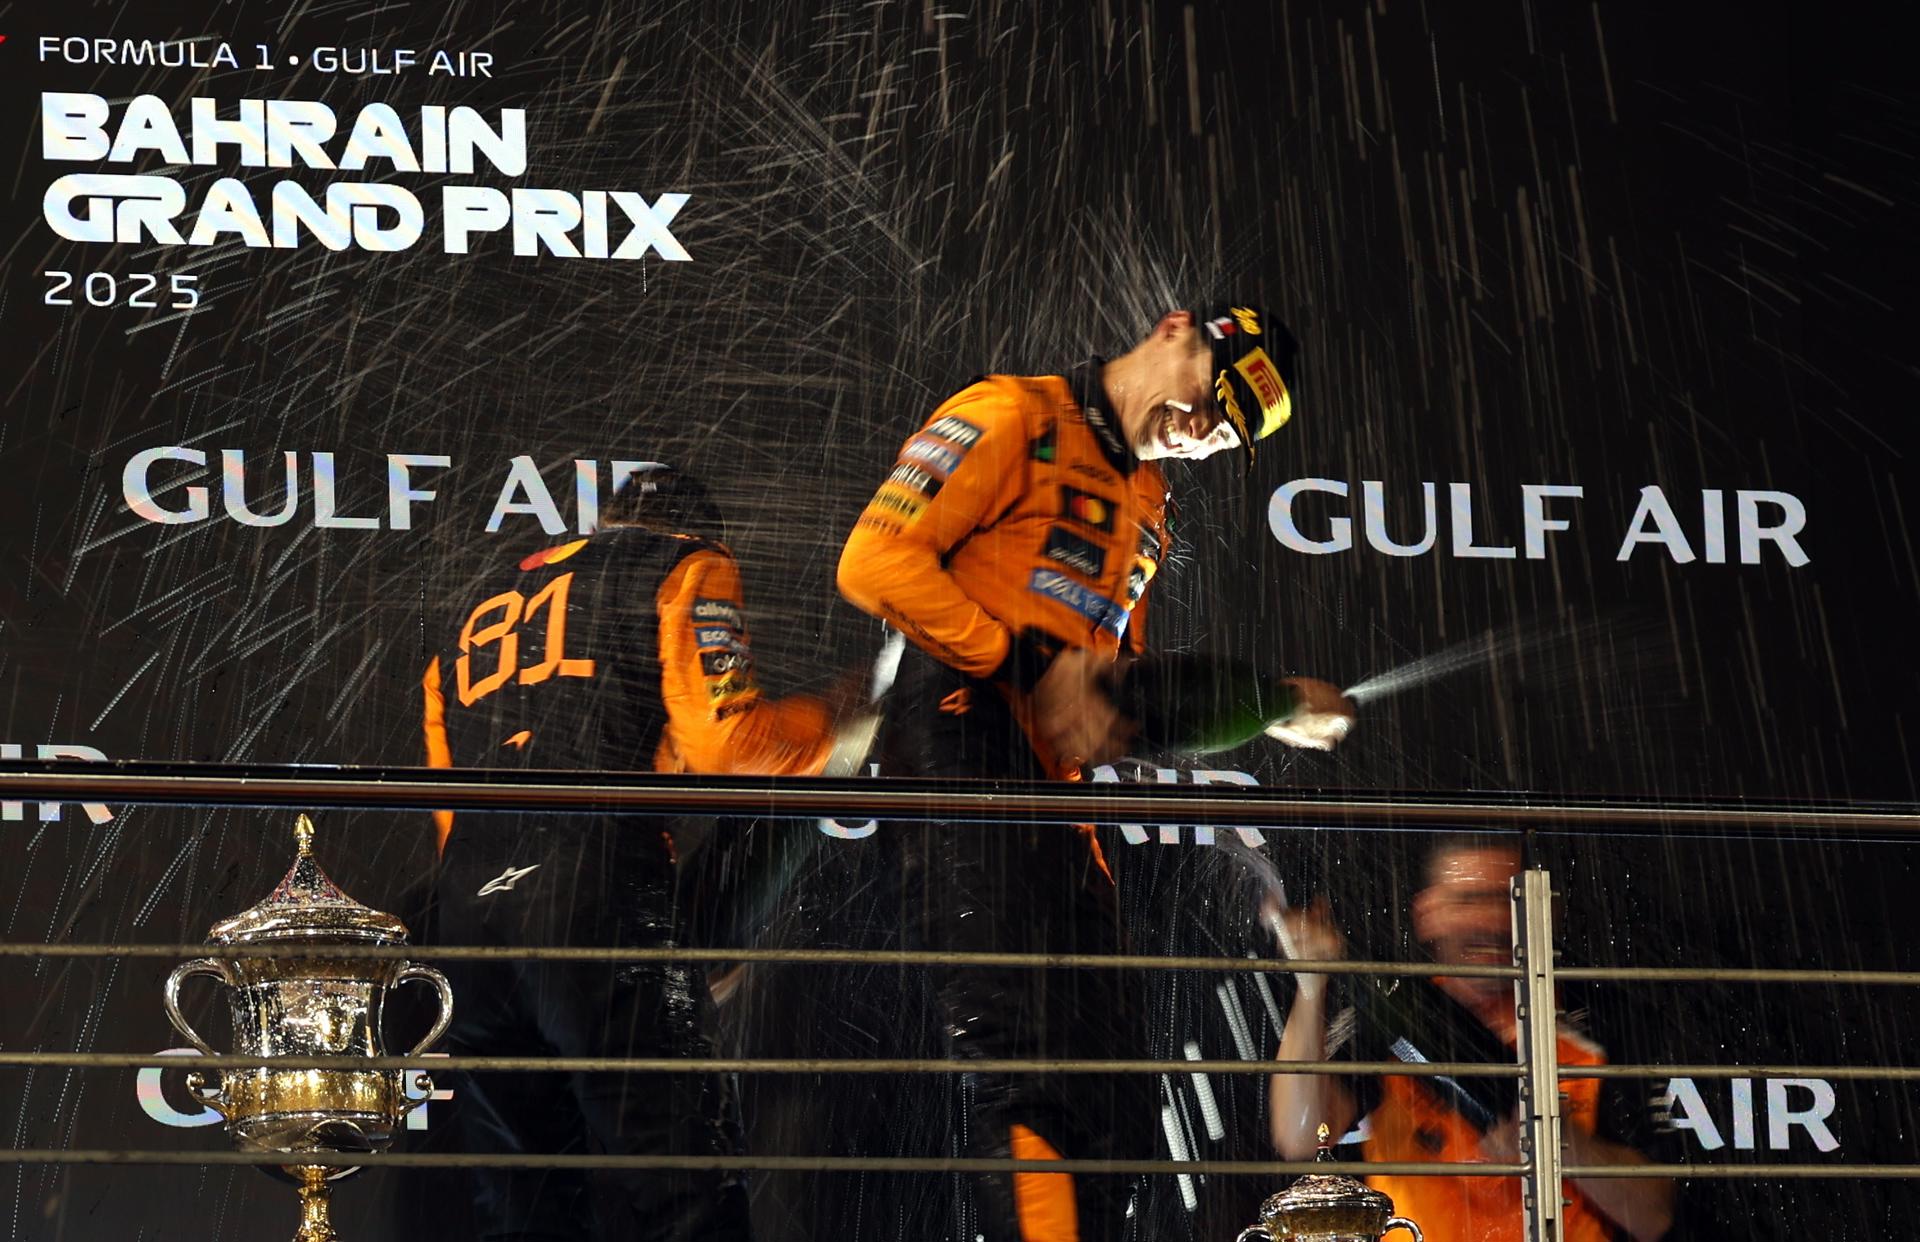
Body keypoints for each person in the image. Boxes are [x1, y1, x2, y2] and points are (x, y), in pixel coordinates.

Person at [836, 306, 1357, 1241]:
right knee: (1024, 1061)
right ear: (1175, 332)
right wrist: (1028, 663)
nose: (1200, 431)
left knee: (1112, 1077)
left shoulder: (1149, 503)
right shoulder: (1012, 414)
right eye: (1211, 398)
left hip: (1051, 786)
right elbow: (874, 561)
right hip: (953, 738)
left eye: (1225, 433)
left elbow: (1110, 700)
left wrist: (1272, 703)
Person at [421, 464, 876, 1242]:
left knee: (525, 1215)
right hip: (598, 902)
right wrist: (838, 720)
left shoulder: (469, 613)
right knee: (683, 1191)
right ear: (695, 532)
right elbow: (729, 743)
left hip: (466, 927)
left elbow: (446, 801)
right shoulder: (682, 563)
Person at [1268, 838, 1676, 1242]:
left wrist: (1558, 1142)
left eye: (1507, 900)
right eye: (1468, 900)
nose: (1491, 921)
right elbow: (1300, 1134)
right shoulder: (1391, 1019)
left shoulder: (1601, 1025)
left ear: (1542, 910)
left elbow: (1653, 1216)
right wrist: (1311, 984)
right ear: (1428, 914)